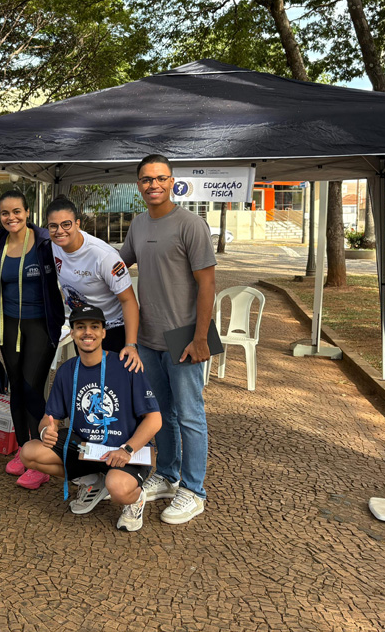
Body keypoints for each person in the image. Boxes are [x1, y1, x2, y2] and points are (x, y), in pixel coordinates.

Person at [119, 154, 216, 525]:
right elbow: (118, 265)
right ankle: (168, 474)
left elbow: (208, 283)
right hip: (148, 336)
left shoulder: (191, 224)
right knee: (161, 414)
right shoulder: (138, 224)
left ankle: (194, 490)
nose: (153, 185)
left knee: (190, 415)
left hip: (185, 335)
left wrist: (201, 337)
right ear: (138, 185)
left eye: (160, 178)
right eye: (146, 179)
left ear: (172, 182)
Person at [20, 305, 162, 532]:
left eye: (94, 327)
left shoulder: (127, 365)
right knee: (29, 453)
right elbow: (50, 418)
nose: (88, 332)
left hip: (126, 449)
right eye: (80, 327)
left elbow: (154, 419)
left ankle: (135, 499)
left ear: (104, 332)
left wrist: (127, 449)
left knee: (118, 488)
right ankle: (93, 480)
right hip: (87, 448)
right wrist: (47, 430)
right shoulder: (67, 370)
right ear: (72, 333)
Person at [0, 190, 63, 489]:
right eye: (5, 213)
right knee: (16, 387)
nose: (11, 217)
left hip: (40, 326)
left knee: (32, 388)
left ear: (27, 212)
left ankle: (41, 457)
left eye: (16, 211)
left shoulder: (45, 243)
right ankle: (23, 448)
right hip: (8, 325)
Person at [45, 197, 143, 368]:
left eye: (66, 224)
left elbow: (128, 301)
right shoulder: (54, 246)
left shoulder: (104, 256)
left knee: (112, 381)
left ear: (77, 224)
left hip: (112, 329)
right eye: (53, 226)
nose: (60, 231)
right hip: (82, 326)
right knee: (88, 378)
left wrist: (130, 345)